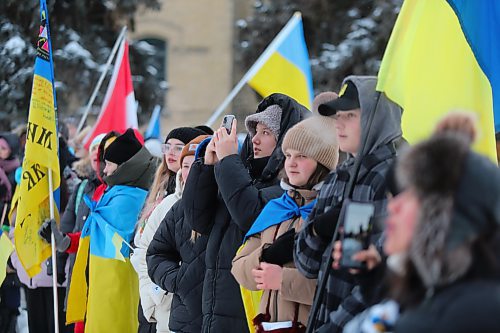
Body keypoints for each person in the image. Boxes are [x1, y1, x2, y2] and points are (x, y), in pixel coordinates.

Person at [182, 93, 309, 332]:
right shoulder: (240, 174)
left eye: (266, 133)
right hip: (215, 307)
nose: (256, 139)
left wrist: (229, 159)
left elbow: (250, 216)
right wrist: (207, 168)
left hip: (249, 311)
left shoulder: (285, 189)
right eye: (255, 131)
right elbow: (198, 219)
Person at [294, 76, 402, 332]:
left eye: (350, 116)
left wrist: (334, 327)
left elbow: (377, 275)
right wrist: (318, 229)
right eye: (337, 116)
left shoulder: (389, 180)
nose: (338, 125)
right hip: (322, 319)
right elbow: (305, 264)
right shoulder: (337, 178)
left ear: (375, 119)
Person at [231, 115, 339, 330]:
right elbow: (238, 267)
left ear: (322, 163)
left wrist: (282, 279)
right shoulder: (277, 208)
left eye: (301, 156)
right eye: (288, 155)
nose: (291, 163)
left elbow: (339, 286)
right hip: (271, 326)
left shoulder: (334, 211)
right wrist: (267, 254)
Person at [65, 128, 156, 333]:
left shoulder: (129, 197)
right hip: (102, 282)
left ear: (124, 166)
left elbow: (119, 245)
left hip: (116, 284)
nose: (104, 170)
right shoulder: (117, 191)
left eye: (109, 164)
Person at [135, 126, 205, 333]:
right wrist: (158, 293)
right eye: (168, 147)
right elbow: (146, 250)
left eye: (178, 147)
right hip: (166, 306)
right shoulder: (168, 202)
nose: (171, 153)